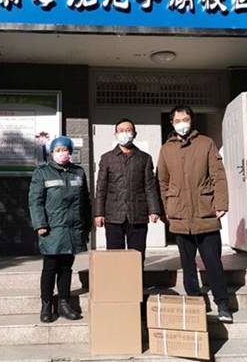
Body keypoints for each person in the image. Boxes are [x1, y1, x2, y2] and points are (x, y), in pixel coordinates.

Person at [157, 106, 233, 323]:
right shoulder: (166, 149)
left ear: (192, 120)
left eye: (185, 119)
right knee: (187, 264)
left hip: (205, 212)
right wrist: (166, 208)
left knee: (213, 262)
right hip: (180, 215)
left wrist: (221, 203)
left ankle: (223, 303)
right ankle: (194, 302)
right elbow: (162, 181)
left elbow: (218, 175)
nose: (182, 123)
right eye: (177, 120)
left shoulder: (206, 143)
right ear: (172, 123)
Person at [28, 136, 91, 323]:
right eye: (58, 150)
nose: (62, 153)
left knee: (66, 267)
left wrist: (86, 226)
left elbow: (85, 202)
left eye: (65, 149)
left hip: (73, 229)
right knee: (50, 267)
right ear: (51, 152)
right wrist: (40, 224)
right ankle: (46, 305)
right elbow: (35, 201)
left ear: (70, 152)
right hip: (52, 229)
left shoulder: (78, 172)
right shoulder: (42, 173)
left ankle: (64, 303)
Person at [94, 118, 161, 263]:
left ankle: (136, 278)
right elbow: (101, 187)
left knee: (137, 256)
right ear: (115, 134)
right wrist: (99, 213)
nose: (124, 133)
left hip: (137, 214)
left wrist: (154, 210)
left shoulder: (144, 158)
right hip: (113, 215)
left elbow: (150, 186)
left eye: (128, 130)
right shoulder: (107, 158)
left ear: (134, 134)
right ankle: (116, 278)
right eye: (121, 131)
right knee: (114, 256)